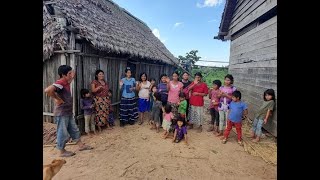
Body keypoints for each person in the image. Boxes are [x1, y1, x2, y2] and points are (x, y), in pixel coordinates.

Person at [44, 65, 93, 157]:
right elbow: (48, 90)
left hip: (67, 112)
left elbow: (69, 80)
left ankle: (81, 145)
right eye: (69, 73)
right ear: (63, 75)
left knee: (74, 129)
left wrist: (72, 76)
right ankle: (62, 151)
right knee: (62, 132)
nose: (71, 75)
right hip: (62, 113)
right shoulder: (60, 82)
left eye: (71, 73)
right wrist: (57, 99)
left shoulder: (66, 82)